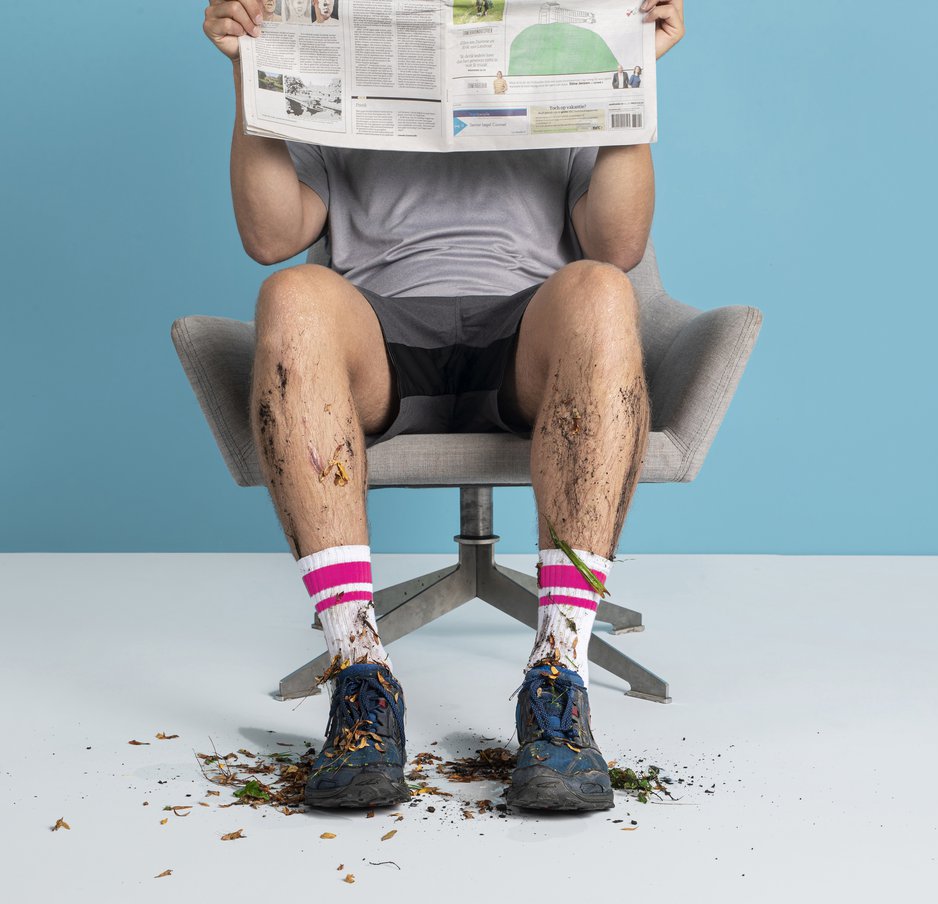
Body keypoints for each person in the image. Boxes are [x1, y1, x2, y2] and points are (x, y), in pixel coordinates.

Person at [201, 0, 685, 813]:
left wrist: (636, 66)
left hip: (526, 330)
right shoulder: (342, 32)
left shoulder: (557, 37)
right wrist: (249, 70)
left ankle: (559, 677)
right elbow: (271, 234)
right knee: (290, 292)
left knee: (603, 288)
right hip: (381, 330)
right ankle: (359, 673)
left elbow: (619, 243)